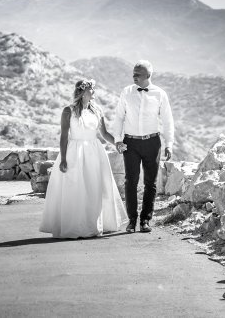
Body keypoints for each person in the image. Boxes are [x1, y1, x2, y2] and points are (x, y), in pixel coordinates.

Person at [40, 79, 129, 238]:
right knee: (76, 188)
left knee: (94, 188)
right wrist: (63, 159)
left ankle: (93, 225)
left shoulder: (97, 110)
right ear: (82, 92)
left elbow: (104, 134)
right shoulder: (68, 111)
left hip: (94, 152)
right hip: (75, 152)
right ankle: (74, 226)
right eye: (91, 89)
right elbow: (64, 136)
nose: (93, 92)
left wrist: (117, 143)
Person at [111, 60, 174, 233]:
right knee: (130, 181)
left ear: (148, 75)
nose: (134, 76)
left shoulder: (160, 94)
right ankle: (131, 221)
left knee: (150, 183)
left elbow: (168, 121)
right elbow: (119, 117)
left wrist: (169, 144)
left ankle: (145, 220)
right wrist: (118, 140)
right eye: (133, 73)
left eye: (138, 74)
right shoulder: (126, 92)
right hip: (130, 143)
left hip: (152, 142)